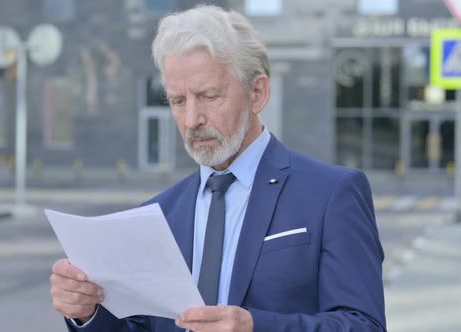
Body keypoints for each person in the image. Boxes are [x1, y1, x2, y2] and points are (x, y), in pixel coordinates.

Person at [50, 4, 386, 332]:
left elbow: (364, 324)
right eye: (179, 101)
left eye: (209, 96)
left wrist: (256, 327)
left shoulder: (331, 195)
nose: (192, 119)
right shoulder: (158, 214)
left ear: (257, 93)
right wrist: (87, 313)